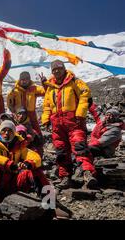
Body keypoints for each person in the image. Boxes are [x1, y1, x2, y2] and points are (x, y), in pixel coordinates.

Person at [41, 59, 97, 189]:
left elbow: (85, 94)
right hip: (57, 125)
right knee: (61, 151)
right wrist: (45, 119)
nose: (56, 71)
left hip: (74, 122)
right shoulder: (50, 87)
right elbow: (47, 105)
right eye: (54, 70)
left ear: (64, 69)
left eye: (58, 69)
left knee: (80, 147)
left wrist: (80, 114)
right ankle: (65, 177)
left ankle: (88, 174)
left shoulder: (73, 81)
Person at [0, 120, 45, 213]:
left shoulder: (19, 145)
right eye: (4, 130)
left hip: (12, 183)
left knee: (36, 171)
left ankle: (50, 202)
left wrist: (28, 163)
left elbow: (34, 156)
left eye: (10, 131)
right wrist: (7, 163)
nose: (6, 133)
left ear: (14, 133)